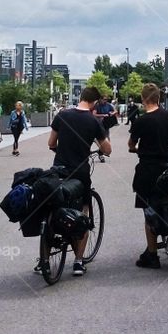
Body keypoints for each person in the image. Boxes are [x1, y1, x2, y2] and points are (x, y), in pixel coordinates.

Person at [46, 87, 112, 277]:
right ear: (94, 102)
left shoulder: (62, 115)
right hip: (80, 173)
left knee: (53, 207)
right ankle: (78, 261)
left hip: (58, 171)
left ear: (81, 97)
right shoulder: (94, 120)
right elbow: (107, 149)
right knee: (83, 213)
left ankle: (44, 258)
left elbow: (51, 143)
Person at [128, 81, 168, 270]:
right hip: (167, 170)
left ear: (143, 99)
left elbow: (131, 146)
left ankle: (152, 254)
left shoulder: (140, 121)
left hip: (147, 172)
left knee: (149, 212)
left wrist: (139, 148)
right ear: (158, 98)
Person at [93, 94, 117, 159]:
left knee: (107, 139)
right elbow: (94, 114)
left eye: (106, 99)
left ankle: (102, 152)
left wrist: (112, 113)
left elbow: (115, 111)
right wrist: (102, 115)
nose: (105, 101)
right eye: (104, 99)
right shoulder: (97, 106)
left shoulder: (108, 105)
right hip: (99, 124)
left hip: (106, 124)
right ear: (100, 99)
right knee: (100, 140)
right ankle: (101, 154)